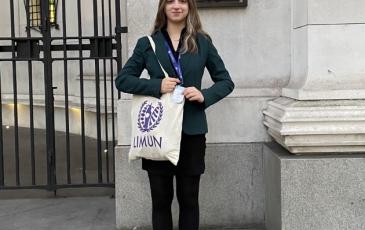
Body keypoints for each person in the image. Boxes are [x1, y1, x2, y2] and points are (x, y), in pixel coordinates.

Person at [115, 0, 234, 229]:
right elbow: (122, 80)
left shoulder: (202, 42)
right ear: (163, 7)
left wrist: (204, 95)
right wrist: (157, 86)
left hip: (191, 132)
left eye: (182, 1)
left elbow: (226, 81)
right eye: (170, 1)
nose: (176, 6)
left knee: (189, 199)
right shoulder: (147, 44)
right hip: (159, 133)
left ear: (190, 6)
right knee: (161, 200)